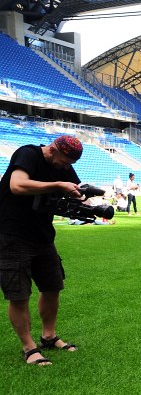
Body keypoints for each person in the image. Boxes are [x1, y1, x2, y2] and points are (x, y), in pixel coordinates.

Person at [0, 134, 83, 366]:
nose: (66, 168)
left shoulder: (63, 167)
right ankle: (29, 348)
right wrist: (57, 185)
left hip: (42, 235)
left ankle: (48, 336)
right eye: (65, 162)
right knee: (19, 294)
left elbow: (75, 188)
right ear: (53, 149)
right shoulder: (28, 153)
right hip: (11, 233)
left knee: (52, 286)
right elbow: (16, 185)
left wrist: (83, 197)